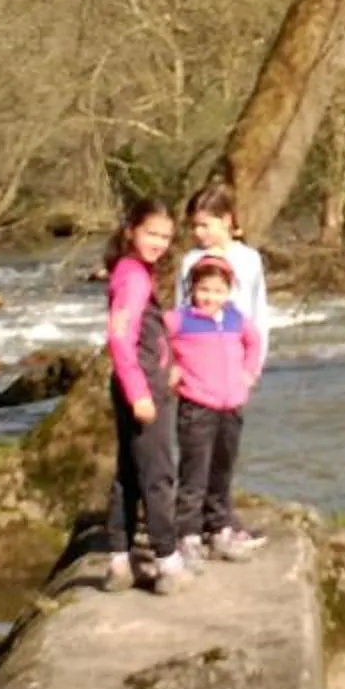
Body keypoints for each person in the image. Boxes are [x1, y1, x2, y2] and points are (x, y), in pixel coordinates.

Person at [101, 196, 190, 589]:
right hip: (142, 389)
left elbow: (142, 330)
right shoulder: (134, 278)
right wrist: (140, 393)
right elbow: (120, 338)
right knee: (158, 473)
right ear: (131, 230)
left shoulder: (130, 271)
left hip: (137, 381)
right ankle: (167, 560)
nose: (158, 243)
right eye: (151, 233)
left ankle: (119, 560)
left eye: (166, 237)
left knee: (130, 473)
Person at [168, 253, 267, 562]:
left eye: (218, 290)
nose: (211, 297)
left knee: (222, 469)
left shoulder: (236, 318)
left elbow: (255, 342)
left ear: (229, 291)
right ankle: (188, 534)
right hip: (197, 406)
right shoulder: (181, 319)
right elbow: (154, 342)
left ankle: (219, 528)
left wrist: (249, 373)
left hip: (232, 405)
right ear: (192, 290)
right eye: (204, 290)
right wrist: (170, 370)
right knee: (194, 472)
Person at [177, 184, 271, 338]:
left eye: (204, 225)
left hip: (238, 345)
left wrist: (257, 355)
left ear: (226, 220)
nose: (198, 232)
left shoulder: (247, 259)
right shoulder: (190, 261)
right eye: (194, 226)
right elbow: (181, 307)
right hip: (199, 343)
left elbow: (258, 310)